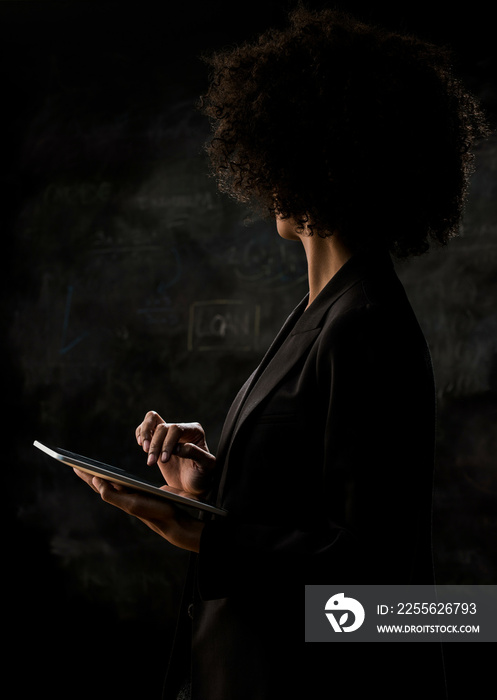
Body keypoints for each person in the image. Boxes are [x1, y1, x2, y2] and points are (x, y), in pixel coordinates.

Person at [74, 6, 488, 699]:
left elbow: (382, 588)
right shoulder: (324, 311)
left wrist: (198, 533)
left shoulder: (365, 325)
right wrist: (210, 492)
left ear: (312, 162)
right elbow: (311, 516)